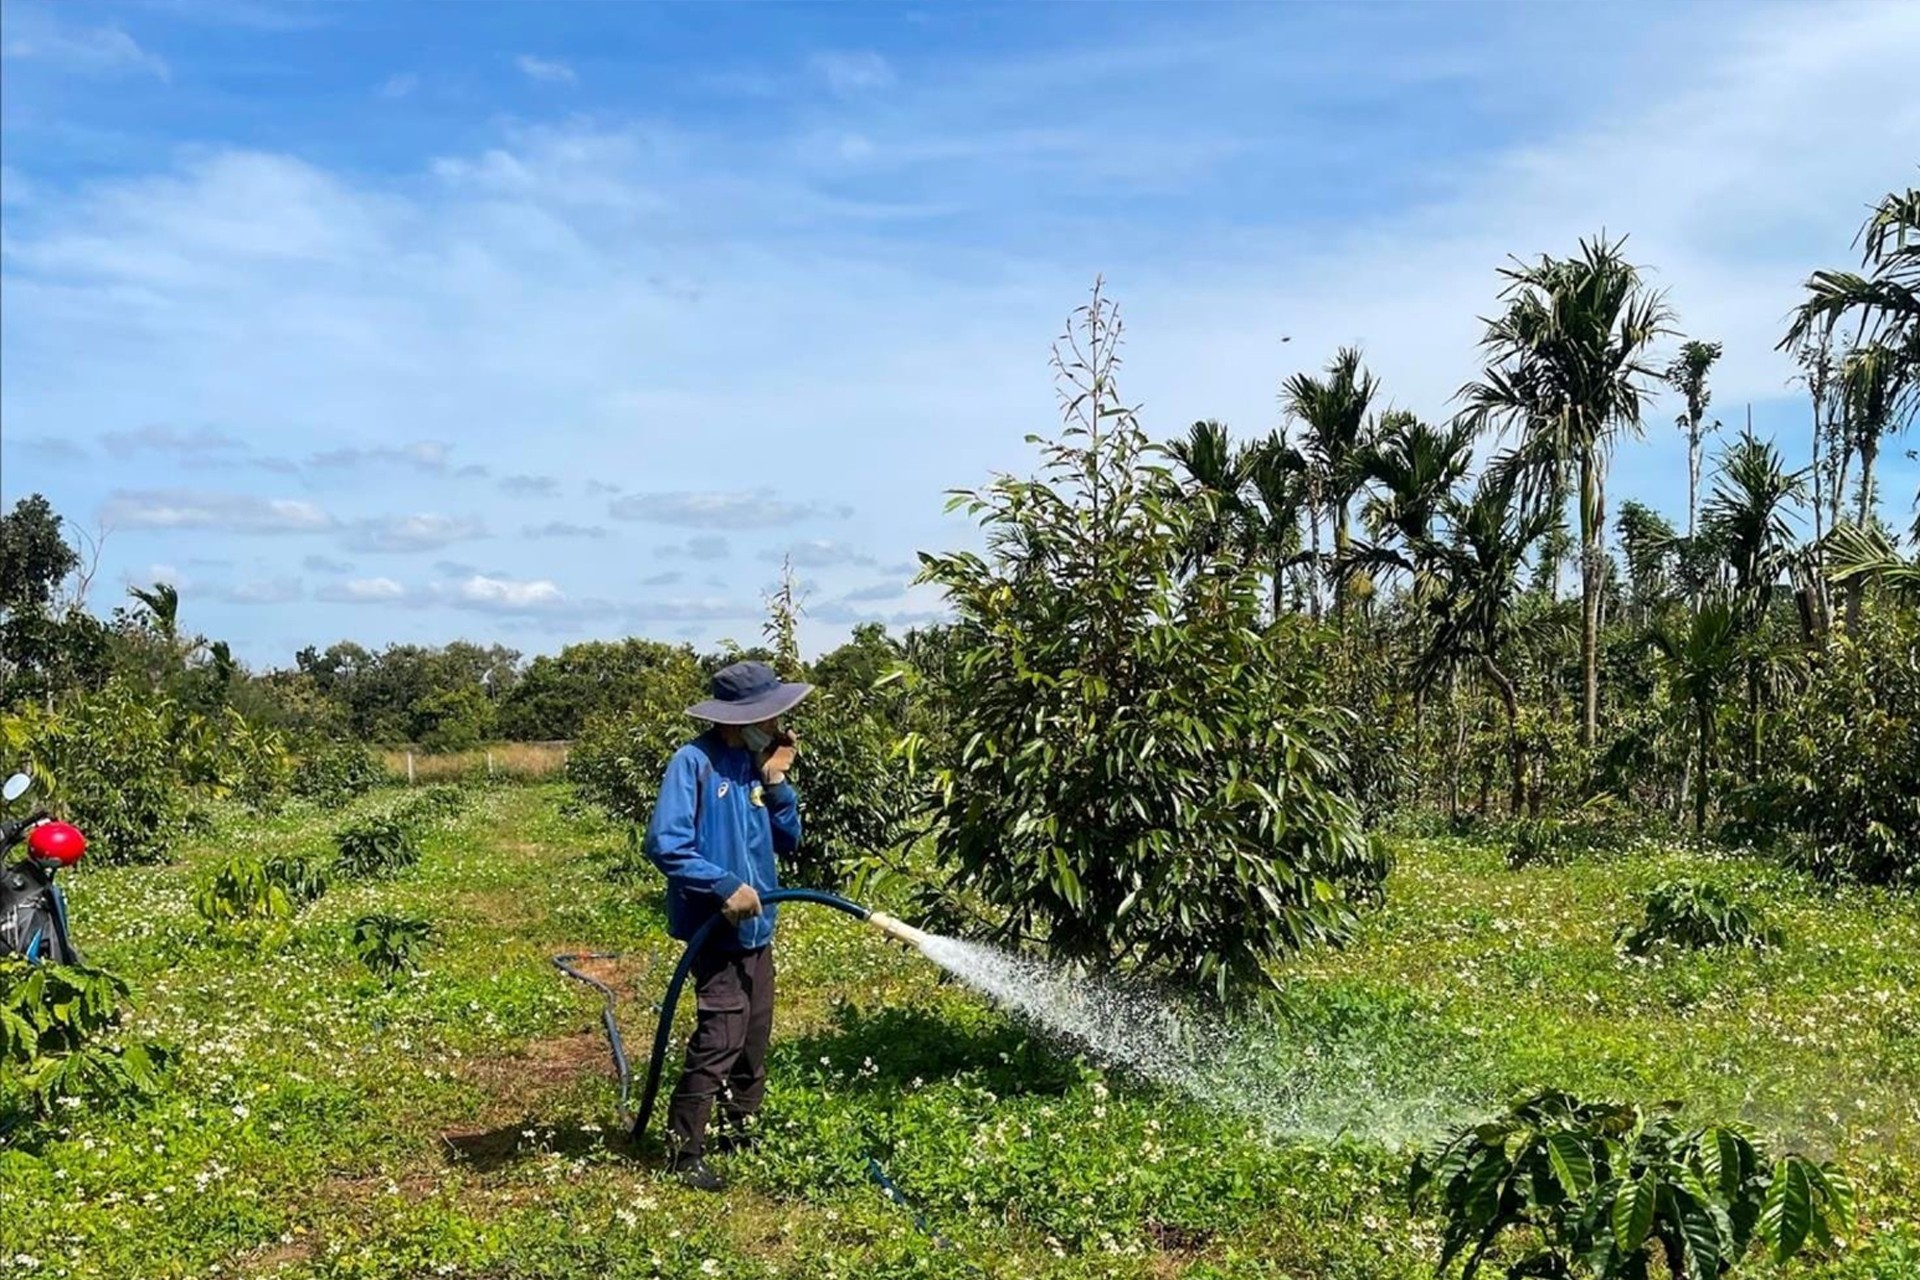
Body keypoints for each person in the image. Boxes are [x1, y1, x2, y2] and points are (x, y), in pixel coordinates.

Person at [642, 659, 810, 1191]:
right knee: (721, 1035)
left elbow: (789, 840)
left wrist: (777, 781)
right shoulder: (693, 762)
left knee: (754, 1036)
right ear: (739, 717)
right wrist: (721, 886)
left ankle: (743, 1128)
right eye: (771, 715)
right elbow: (665, 843)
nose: (778, 724)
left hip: (759, 931)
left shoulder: (755, 767)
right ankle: (683, 1150)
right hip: (716, 931)